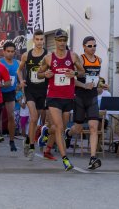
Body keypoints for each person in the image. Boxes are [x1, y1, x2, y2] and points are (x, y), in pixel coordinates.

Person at [37, 29, 85, 171]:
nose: (62, 43)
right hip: (53, 97)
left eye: (64, 40)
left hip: (68, 97)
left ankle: (46, 137)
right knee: (59, 127)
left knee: (61, 128)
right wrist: (45, 74)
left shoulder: (73, 56)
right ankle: (65, 159)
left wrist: (75, 73)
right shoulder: (49, 58)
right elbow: (38, 74)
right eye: (59, 40)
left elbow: (82, 72)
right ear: (55, 41)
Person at [64, 36, 106, 170]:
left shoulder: (99, 60)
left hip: (93, 96)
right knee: (79, 127)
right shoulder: (80, 59)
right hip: (80, 96)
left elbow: (96, 78)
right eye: (90, 46)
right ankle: (68, 134)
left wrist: (100, 85)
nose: (92, 48)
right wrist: (83, 85)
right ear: (84, 46)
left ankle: (93, 158)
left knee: (94, 126)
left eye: (94, 46)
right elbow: (71, 79)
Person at [17, 30, 49, 161]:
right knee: (34, 117)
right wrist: (21, 81)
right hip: (30, 90)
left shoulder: (48, 55)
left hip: (42, 90)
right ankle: (31, 146)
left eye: (42, 39)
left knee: (37, 119)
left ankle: (28, 140)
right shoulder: (26, 55)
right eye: (38, 39)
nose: (40, 42)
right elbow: (19, 70)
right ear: (33, 41)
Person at [0, 42, 19, 152]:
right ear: (4, 51)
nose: (10, 54)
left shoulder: (18, 63)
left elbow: (20, 76)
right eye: (8, 51)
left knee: (11, 115)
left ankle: (12, 141)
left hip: (10, 91)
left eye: (12, 52)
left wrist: (21, 84)